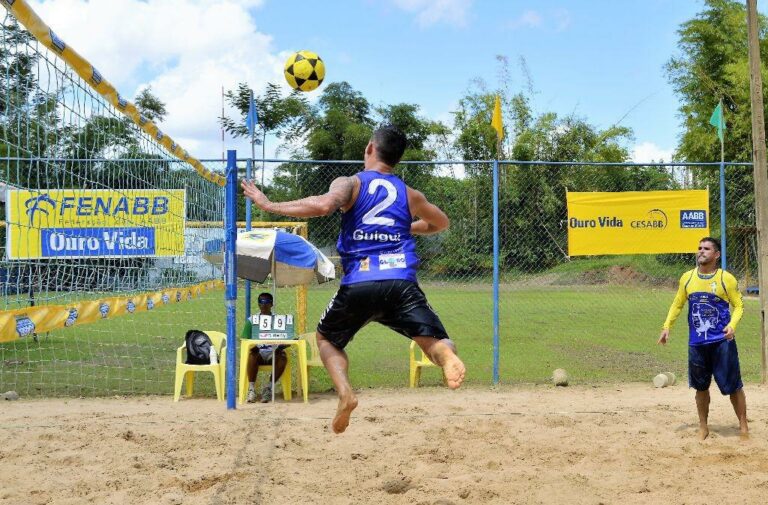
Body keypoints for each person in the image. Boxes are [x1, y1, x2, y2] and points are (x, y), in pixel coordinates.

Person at [241, 124, 465, 434]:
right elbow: (440, 223)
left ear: (370, 148)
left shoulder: (351, 182)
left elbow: (321, 206)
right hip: (400, 281)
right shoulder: (410, 194)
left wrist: (268, 204)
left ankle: (345, 393)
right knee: (434, 342)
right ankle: (446, 356)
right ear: (396, 158)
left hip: (360, 280)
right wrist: (403, 227)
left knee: (326, 340)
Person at [658, 237, 748, 440]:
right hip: (697, 344)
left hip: (722, 342)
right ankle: (703, 427)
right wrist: (666, 327)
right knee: (700, 388)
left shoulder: (727, 279)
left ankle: (743, 427)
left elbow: (739, 305)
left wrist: (732, 326)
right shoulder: (687, 278)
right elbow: (677, 304)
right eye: (699, 248)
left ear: (716, 255)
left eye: (706, 248)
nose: (701, 251)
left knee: (733, 387)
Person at [240, 292, 287, 403]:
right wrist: (253, 346)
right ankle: (251, 389)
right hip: (259, 353)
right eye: (261, 302)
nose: (264, 305)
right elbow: (244, 340)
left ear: (272, 304)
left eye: (267, 302)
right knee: (252, 355)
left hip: (273, 352)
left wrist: (282, 346)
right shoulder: (252, 320)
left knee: (283, 357)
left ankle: (268, 388)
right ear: (258, 304)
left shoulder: (278, 320)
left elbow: (286, 336)